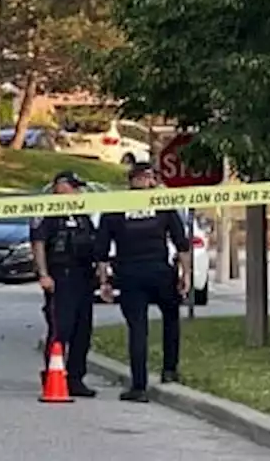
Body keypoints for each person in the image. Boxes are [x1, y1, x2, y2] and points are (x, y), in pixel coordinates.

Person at [95, 162, 192, 402]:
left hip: (130, 275)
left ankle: (139, 386)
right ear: (149, 180)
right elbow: (181, 243)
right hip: (159, 272)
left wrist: (104, 281)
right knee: (171, 319)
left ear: (130, 180)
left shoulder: (115, 207)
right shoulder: (161, 205)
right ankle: (170, 370)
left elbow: (101, 250)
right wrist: (185, 274)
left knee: (138, 328)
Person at [30, 170, 99, 398]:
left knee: (83, 330)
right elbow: (38, 243)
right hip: (60, 276)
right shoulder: (47, 211)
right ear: (60, 186)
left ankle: (76, 377)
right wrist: (43, 273)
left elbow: (93, 242)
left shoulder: (81, 214)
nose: (77, 191)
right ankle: (53, 372)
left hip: (83, 276)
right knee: (61, 327)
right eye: (73, 186)